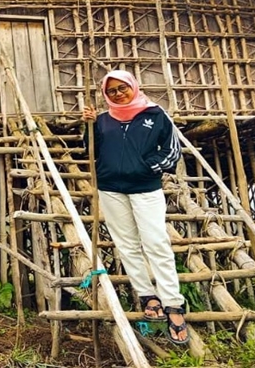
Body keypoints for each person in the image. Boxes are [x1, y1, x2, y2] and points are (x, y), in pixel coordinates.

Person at [82, 69, 189, 345]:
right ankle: (147, 295)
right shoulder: (103, 119)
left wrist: (148, 167)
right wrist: (89, 126)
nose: (118, 94)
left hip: (146, 188)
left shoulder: (155, 114)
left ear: (133, 86)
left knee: (156, 243)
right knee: (127, 244)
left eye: (122, 88)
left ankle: (173, 304)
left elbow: (172, 150)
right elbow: (90, 149)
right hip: (110, 188)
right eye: (112, 90)